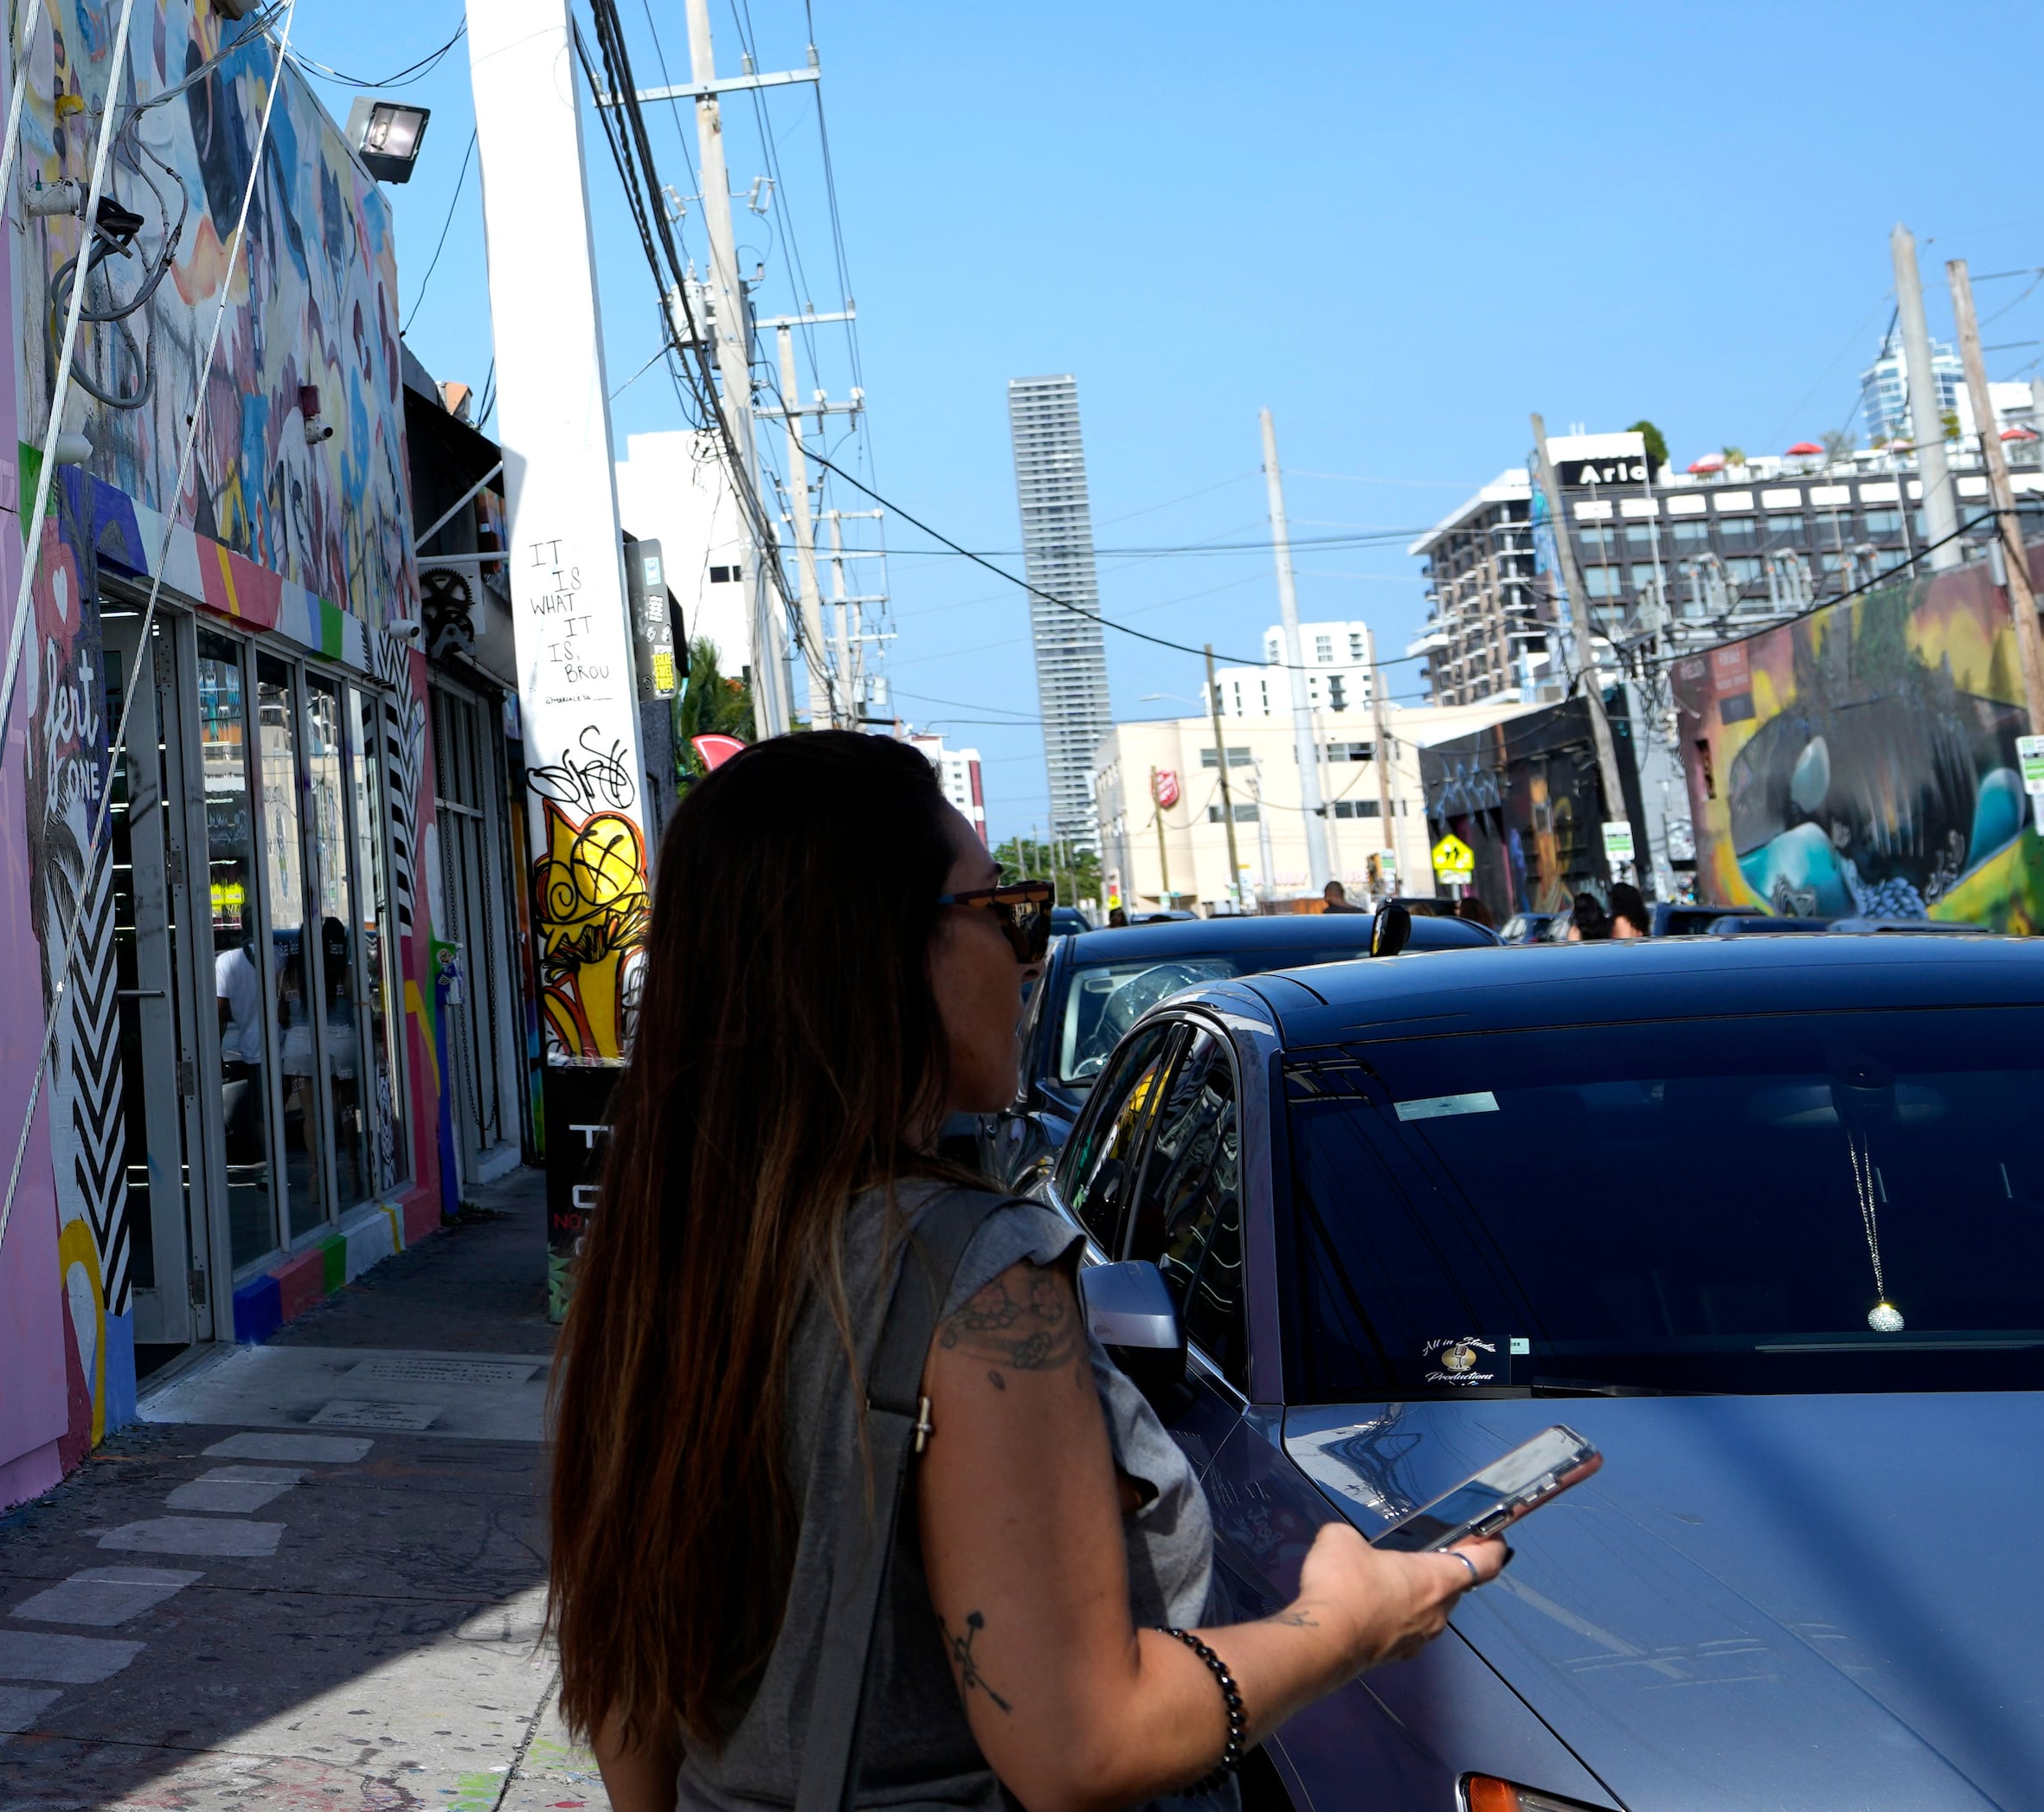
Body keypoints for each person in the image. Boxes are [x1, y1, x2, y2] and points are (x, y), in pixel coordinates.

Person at [546, 733, 1502, 1812]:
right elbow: (1080, 1744)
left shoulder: (668, 1257)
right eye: (1004, 916)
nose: (1029, 958)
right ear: (878, 953)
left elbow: (630, 1693)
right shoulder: (978, 1269)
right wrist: (1344, 1624)